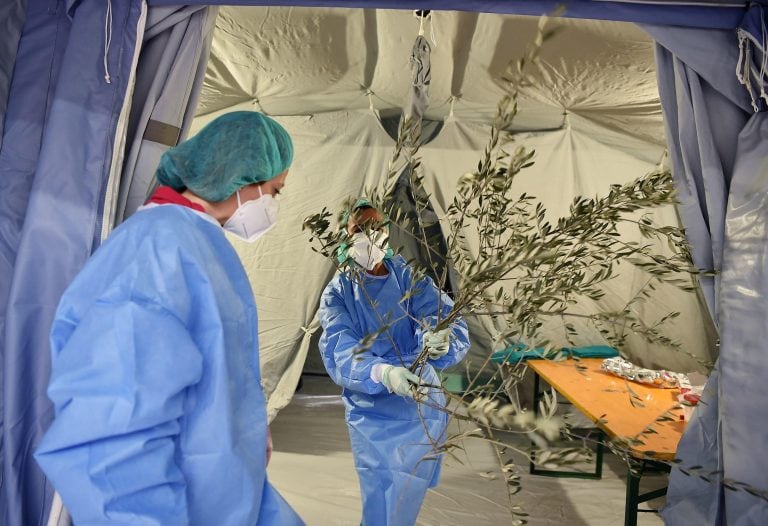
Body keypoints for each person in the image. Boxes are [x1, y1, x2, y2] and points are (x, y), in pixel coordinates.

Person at [35, 111, 304, 526]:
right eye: (274, 191)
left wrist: (244, 432)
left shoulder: (196, 242)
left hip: (223, 496)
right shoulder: (157, 251)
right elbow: (111, 438)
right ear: (241, 179)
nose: (272, 205)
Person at [317, 200, 470, 526]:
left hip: (420, 400)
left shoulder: (409, 277)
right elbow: (340, 349)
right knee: (381, 490)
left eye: (376, 227)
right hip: (372, 411)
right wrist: (382, 372)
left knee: (409, 488)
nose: (369, 235)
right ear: (345, 236)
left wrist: (440, 338)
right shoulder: (338, 293)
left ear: (387, 231)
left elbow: (440, 315)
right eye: (360, 229)